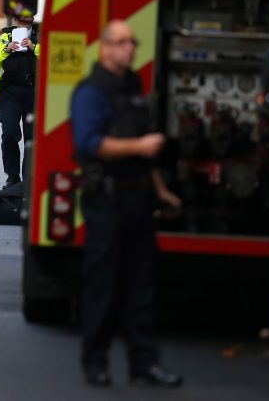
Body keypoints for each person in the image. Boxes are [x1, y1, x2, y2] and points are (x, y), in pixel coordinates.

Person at [70, 20, 183, 389]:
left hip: (139, 199)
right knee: (102, 285)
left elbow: (143, 150)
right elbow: (91, 144)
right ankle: (96, 364)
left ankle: (144, 364)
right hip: (106, 200)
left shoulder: (134, 90)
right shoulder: (90, 93)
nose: (130, 48)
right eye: (121, 42)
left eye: (132, 42)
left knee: (142, 287)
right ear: (104, 47)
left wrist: (161, 190)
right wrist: (139, 147)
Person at [0, 12, 39, 187]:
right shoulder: (5, 37)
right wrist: (6, 50)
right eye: (20, 19)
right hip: (10, 92)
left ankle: (29, 179)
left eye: (27, 19)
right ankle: (12, 175)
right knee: (9, 132)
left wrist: (34, 47)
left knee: (32, 138)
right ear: (15, 19)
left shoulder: (41, 36)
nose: (24, 22)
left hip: (34, 92)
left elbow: (52, 59)